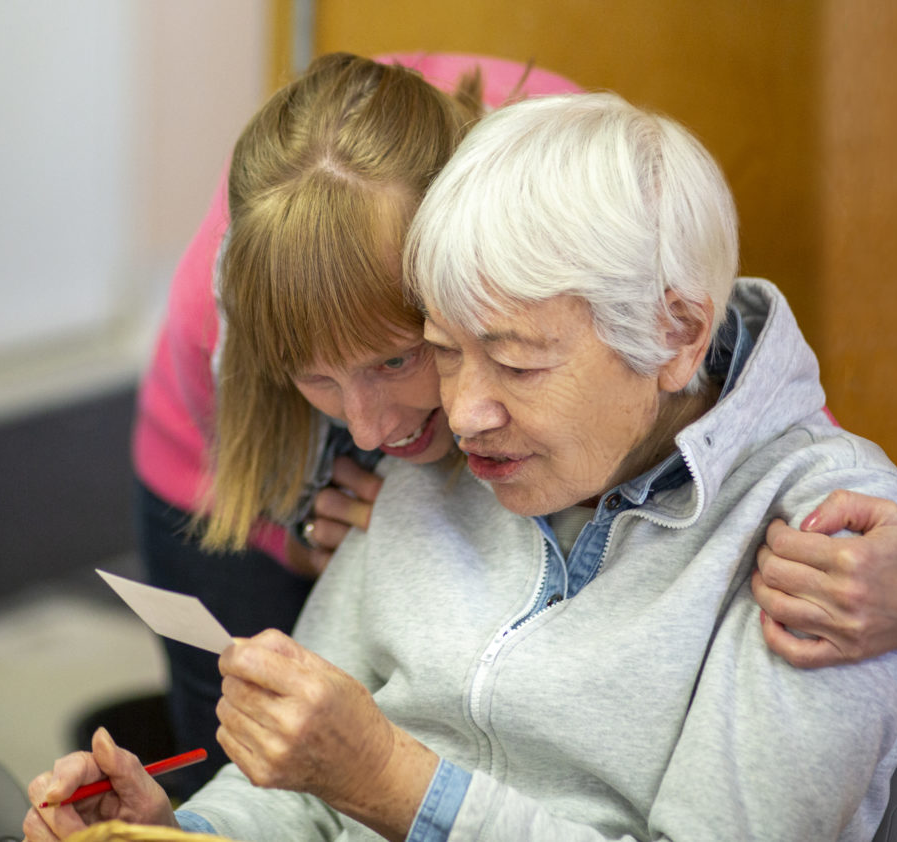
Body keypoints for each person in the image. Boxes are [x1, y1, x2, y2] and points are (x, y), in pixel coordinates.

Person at [28, 92, 897, 842]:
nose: (457, 419)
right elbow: (299, 786)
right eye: (442, 353)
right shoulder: (454, 456)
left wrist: (391, 780)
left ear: (677, 335)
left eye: (517, 362)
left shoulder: (828, 553)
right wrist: (181, 833)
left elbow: (362, 774)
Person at [130, 50, 583, 795]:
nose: (370, 432)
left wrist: (834, 531)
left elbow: (714, 356)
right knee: (247, 771)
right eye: (316, 378)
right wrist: (308, 540)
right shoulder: (210, 318)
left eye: (398, 360)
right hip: (228, 498)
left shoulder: (570, 183)